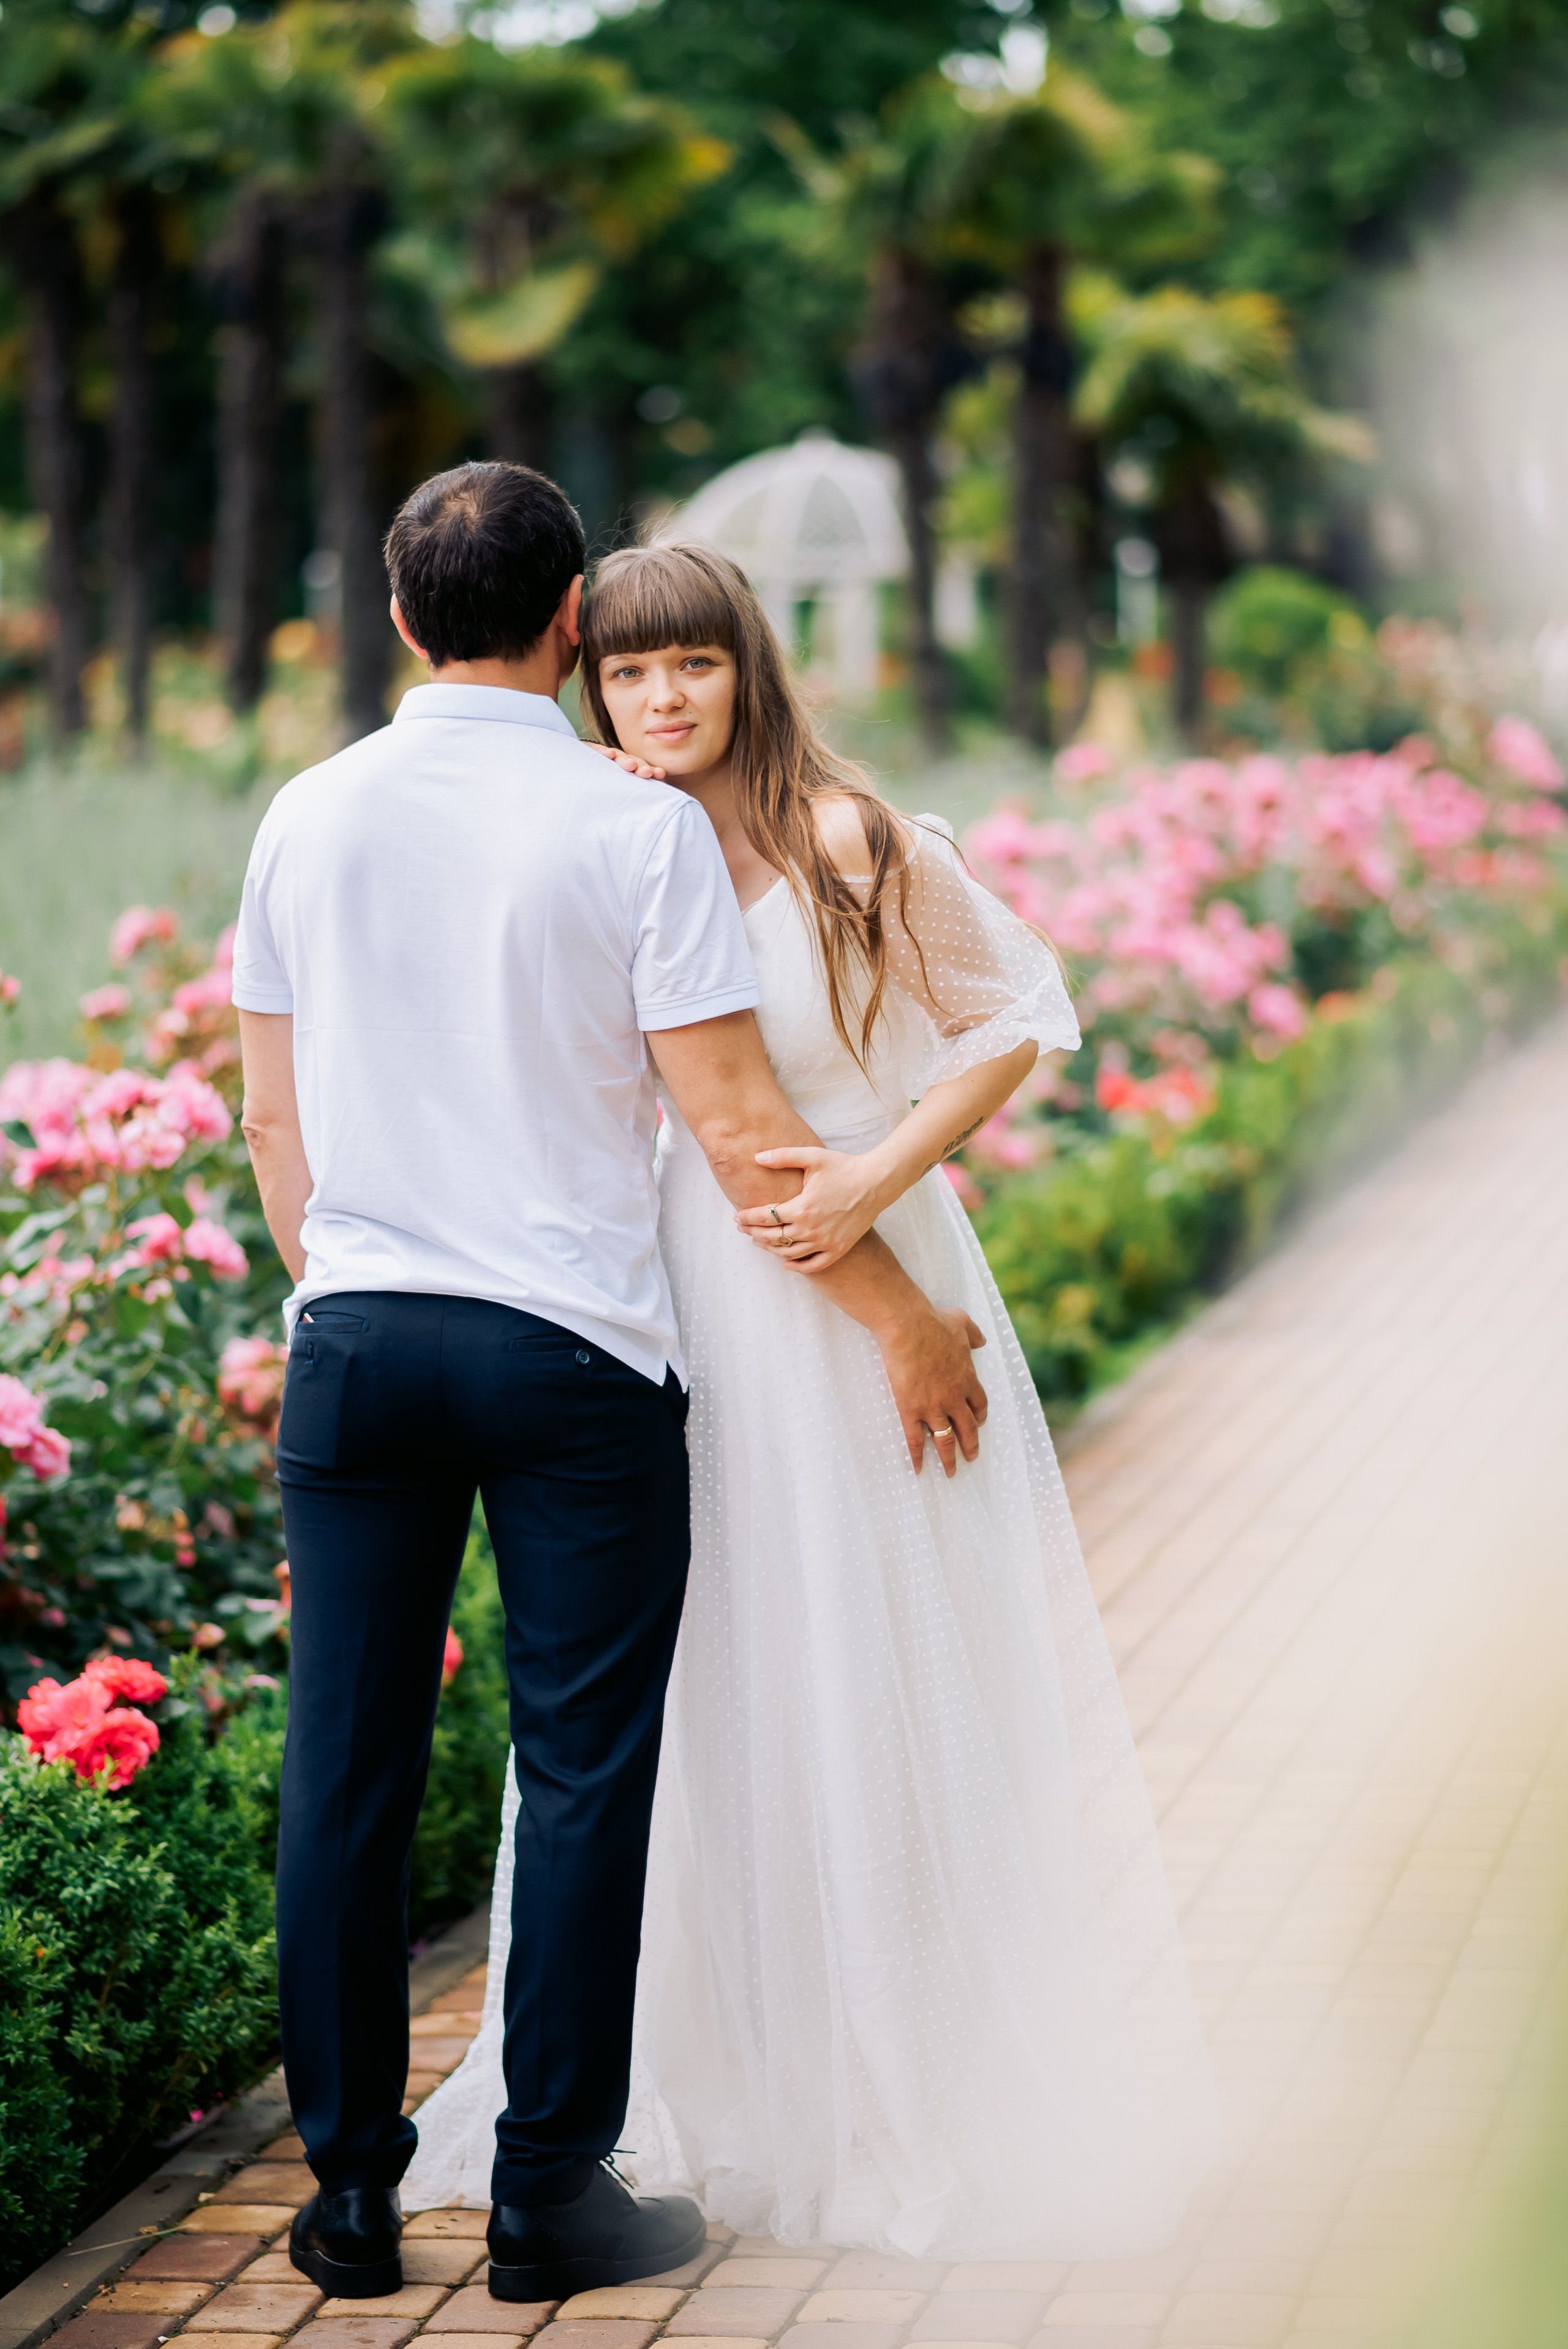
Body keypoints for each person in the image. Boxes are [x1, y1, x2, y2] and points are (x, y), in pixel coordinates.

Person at [231, 467, 990, 2304]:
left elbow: (271, 1119)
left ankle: (348, 2195)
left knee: (342, 1769)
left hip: (357, 1338)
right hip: (569, 1355)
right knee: (580, 1766)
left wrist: (345, 1287)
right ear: (574, 621)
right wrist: (905, 1314)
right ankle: (549, 2194)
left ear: (401, 620)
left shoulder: (306, 813)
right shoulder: (630, 825)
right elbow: (736, 1130)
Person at [404, 542, 1216, 2258]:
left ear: (746, 668)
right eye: (629, 671)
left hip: (857, 1259)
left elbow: (1014, 1016)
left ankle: (907, 2068)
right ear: (589, 679)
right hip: (688, 1281)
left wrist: (872, 1178)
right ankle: (716, 2076)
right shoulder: (608, 833)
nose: (662, 697)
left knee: (880, 1650)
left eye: (693, 663)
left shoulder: (845, 834)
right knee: (715, 1669)